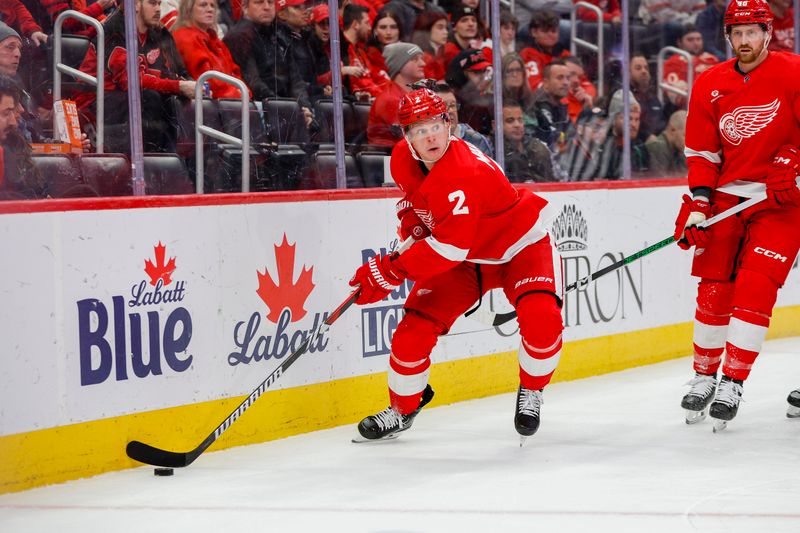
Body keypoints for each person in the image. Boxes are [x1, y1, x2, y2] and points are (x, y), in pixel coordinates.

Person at [349, 86, 564, 442]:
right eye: (418, 130)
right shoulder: (403, 158)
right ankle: (402, 410)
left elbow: (449, 249)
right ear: (406, 136)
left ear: (449, 124)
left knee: (542, 318)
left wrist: (392, 269)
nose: (429, 136)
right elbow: (422, 214)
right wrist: (412, 228)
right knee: (413, 330)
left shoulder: (462, 171)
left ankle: (532, 389)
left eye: (434, 125)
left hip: (518, 247)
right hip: (467, 259)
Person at [675, 0, 800, 430]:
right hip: (727, 201)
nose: (744, 41)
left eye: (752, 32)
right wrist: (698, 203)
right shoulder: (710, 82)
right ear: (727, 35)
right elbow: (703, 151)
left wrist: (794, 159)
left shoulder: (793, 72)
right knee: (713, 290)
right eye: (737, 32)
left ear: (768, 32)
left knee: (755, 285)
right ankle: (704, 375)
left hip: (780, 203)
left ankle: (733, 380)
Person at [76, 0, 196, 153]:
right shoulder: (115, 29)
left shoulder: (153, 33)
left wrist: (186, 85)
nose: (158, 9)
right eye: (153, 3)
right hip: (93, 100)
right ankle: (151, 161)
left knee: (172, 101)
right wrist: (178, 86)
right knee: (150, 97)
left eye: (159, 3)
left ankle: (171, 163)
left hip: (122, 99)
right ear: (136, 5)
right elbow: (130, 80)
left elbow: (163, 73)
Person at [172, 0, 249, 99]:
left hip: (229, 101)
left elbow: (235, 72)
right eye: (203, 5)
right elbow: (207, 80)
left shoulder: (216, 41)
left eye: (212, 6)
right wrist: (239, 93)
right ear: (188, 9)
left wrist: (243, 92)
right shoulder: (185, 37)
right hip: (212, 103)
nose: (210, 9)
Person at [367, 42, 426, 146]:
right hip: (388, 158)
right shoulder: (390, 99)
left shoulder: (414, 96)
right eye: (415, 59)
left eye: (421, 58)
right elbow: (412, 139)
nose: (423, 63)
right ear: (399, 65)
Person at [0, 75, 46, 199]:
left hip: (28, 214)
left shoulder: (14, 143)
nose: (13, 122)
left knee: (82, 191)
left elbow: (31, 188)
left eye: (12, 111)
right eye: (6, 113)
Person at [662, 25, 720, 108]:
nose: (696, 43)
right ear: (679, 42)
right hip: (693, 110)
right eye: (690, 40)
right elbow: (679, 97)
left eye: (698, 39)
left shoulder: (712, 59)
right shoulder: (673, 63)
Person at [432, 80, 492, 157]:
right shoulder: (425, 142)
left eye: (453, 105)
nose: (450, 111)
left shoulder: (476, 141)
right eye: (443, 106)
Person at [501, 100, 556, 183]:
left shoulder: (538, 147)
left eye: (520, 120)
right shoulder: (492, 151)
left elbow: (553, 183)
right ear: (495, 125)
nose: (517, 125)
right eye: (510, 121)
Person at [519, 9, 569, 91]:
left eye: (553, 31)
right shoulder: (527, 54)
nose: (549, 34)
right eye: (545, 31)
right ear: (534, 32)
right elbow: (535, 86)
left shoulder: (566, 54)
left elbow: (584, 82)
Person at [529, 59, 570, 151]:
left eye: (568, 78)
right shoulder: (536, 104)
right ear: (546, 83)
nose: (565, 83)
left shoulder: (561, 106)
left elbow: (570, 135)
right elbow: (552, 136)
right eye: (560, 78)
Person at [629, 52, 666, 143]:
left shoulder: (653, 98)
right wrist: (647, 136)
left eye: (646, 68)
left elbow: (663, 122)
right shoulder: (623, 95)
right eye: (638, 68)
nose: (644, 71)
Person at [645, 110, 687, 176]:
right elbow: (660, 180)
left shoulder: (678, 149)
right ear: (673, 130)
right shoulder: (659, 147)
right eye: (686, 136)